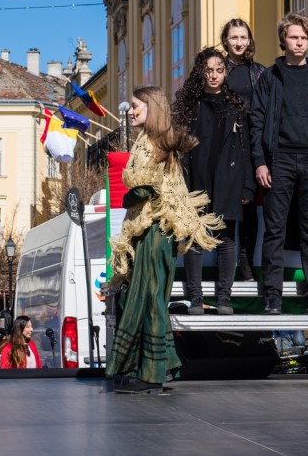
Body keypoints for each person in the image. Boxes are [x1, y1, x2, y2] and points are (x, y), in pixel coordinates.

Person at [106, 85, 223, 394]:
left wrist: (128, 197)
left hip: (155, 231)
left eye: (136, 106)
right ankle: (156, 367)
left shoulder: (151, 144)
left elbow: (146, 188)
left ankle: (151, 375)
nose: (131, 111)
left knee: (149, 299)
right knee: (147, 297)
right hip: (154, 230)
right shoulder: (155, 142)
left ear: (152, 108)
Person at [251, 13, 308, 316]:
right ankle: (273, 296)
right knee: (275, 231)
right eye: (294, 37)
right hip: (279, 161)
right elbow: (257, 122)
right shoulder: (270, 77)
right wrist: (261, 162)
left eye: (304, 38)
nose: (300, 43)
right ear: (284, 40)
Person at [172, 47, 254, 315]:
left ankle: (224, 299)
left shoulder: (235, 106)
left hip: (228, 178)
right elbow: (179, 149)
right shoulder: (190, 106)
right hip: (196, 177)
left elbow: (246, 148)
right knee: (194, 238)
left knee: (226, 239)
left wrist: (247, 185)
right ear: (201, 72)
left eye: (219, 70)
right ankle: (196, 299)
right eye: (209, 70)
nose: (214, 75)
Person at [221, 18, 267, 281]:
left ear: (249, 41)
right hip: (227, 143)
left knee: (250, 204)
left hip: (253, 143)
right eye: (234, 37)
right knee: (227, 203)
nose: (239, 43)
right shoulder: (218, 69)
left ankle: (247, 261)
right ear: (225, 40)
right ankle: (226, 263)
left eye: (243, 37)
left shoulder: (259, 71)